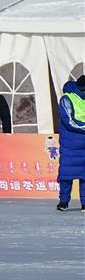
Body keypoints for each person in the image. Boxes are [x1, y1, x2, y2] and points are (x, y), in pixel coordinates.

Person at [57, 75, 85, 211]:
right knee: (66, 175)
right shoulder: (67, 99)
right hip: (70, 143)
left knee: (84, 176)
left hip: (83, 144)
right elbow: (69, 121)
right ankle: (63, 201)